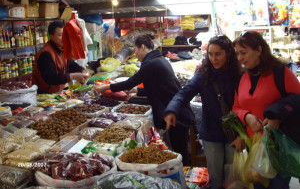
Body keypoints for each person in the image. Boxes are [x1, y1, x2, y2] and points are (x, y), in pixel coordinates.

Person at [94, 34, 194, 165]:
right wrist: (138, 90)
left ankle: (185, 176)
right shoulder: (159, 59)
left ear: (142, 47)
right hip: (175, 110)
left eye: (135, 50)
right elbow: (159, 87)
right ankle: (183, 173)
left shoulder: (151, 63)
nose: (135, 54)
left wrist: (106, 87)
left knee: (180, 149)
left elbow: (129, 83)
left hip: (175, 113)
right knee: (179, 147)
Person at [164, 35, 243, 189]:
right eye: (210, 54)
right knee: (215, 179)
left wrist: (243, 133)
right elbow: (184, 93)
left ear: (228, 53)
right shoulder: (204, 75)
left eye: (218, 54)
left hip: (235, 133)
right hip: (212, 134)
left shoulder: (239, 75)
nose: (214, 59)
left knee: (233, 178)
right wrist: (172, 109)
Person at [232, 31, 300, 189]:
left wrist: (279, 116)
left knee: (278, 186)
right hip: (253, 144)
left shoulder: (280, 73)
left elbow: (297, 98)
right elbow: (236, 107)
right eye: (237, 54)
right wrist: (247, 116)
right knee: (258, 185)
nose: (240, 58)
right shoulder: (242, 77)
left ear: (259, 50)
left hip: (278, 146)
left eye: (244, 52)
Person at [33, 20, 89, 93]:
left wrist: (82, 70)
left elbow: (71, 64)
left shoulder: (62, 49)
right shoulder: (45, 54)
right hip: (44, 94)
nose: (63, 38)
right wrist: (72, 76)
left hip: (57, 92)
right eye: (60, 35)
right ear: (51, 36)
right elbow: (50, 78)